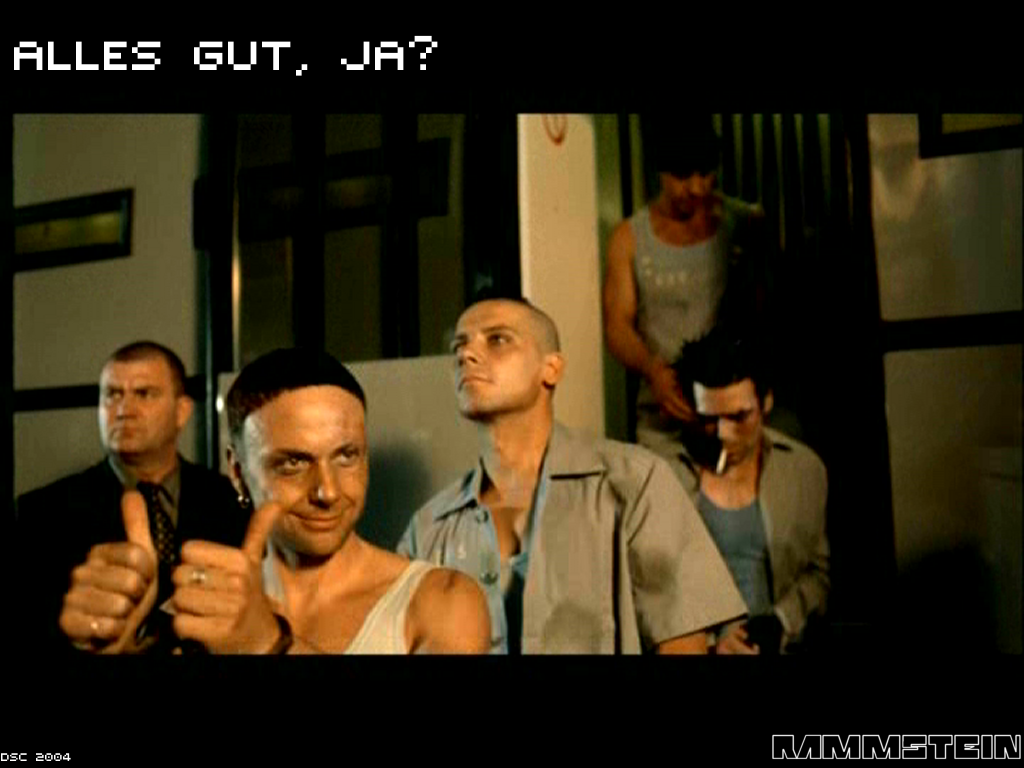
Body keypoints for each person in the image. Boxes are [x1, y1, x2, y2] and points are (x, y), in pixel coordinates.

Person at [398, 297, 747, 653]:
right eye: (459, 346)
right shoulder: (427, 530)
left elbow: (682, 643)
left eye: (498, 339)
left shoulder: (634, 483)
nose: (467, 355)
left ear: (551, 369)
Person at [163, 348, 491, 654]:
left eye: (346, 456)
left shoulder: (441, 602)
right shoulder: (202, 609)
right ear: (237, 472)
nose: (327, 492)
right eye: (294, 463)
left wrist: (270, 643)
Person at [15, 341, 248, 654]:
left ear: (182, 411)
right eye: (112, 395)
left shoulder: (231, 501)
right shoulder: (40, 512)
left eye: (144, 393)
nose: (124, 410)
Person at [665, 324, 829, 654]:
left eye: (738, 417)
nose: (723, 434)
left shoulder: (802, 469)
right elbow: (651, 591)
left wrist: (780, 622)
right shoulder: (665, 476)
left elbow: (818, 573)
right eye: (709, 419)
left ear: (766, 402)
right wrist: (713, 641)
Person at [602, 117, 765, 448]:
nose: (696, 187)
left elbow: (765, 316)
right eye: (682, 176)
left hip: (731, 407)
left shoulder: (741, 223)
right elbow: (617, 326)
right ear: (660, 171)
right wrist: (653, 370)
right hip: (664, 411)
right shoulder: (629, 238)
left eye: (705, 174)